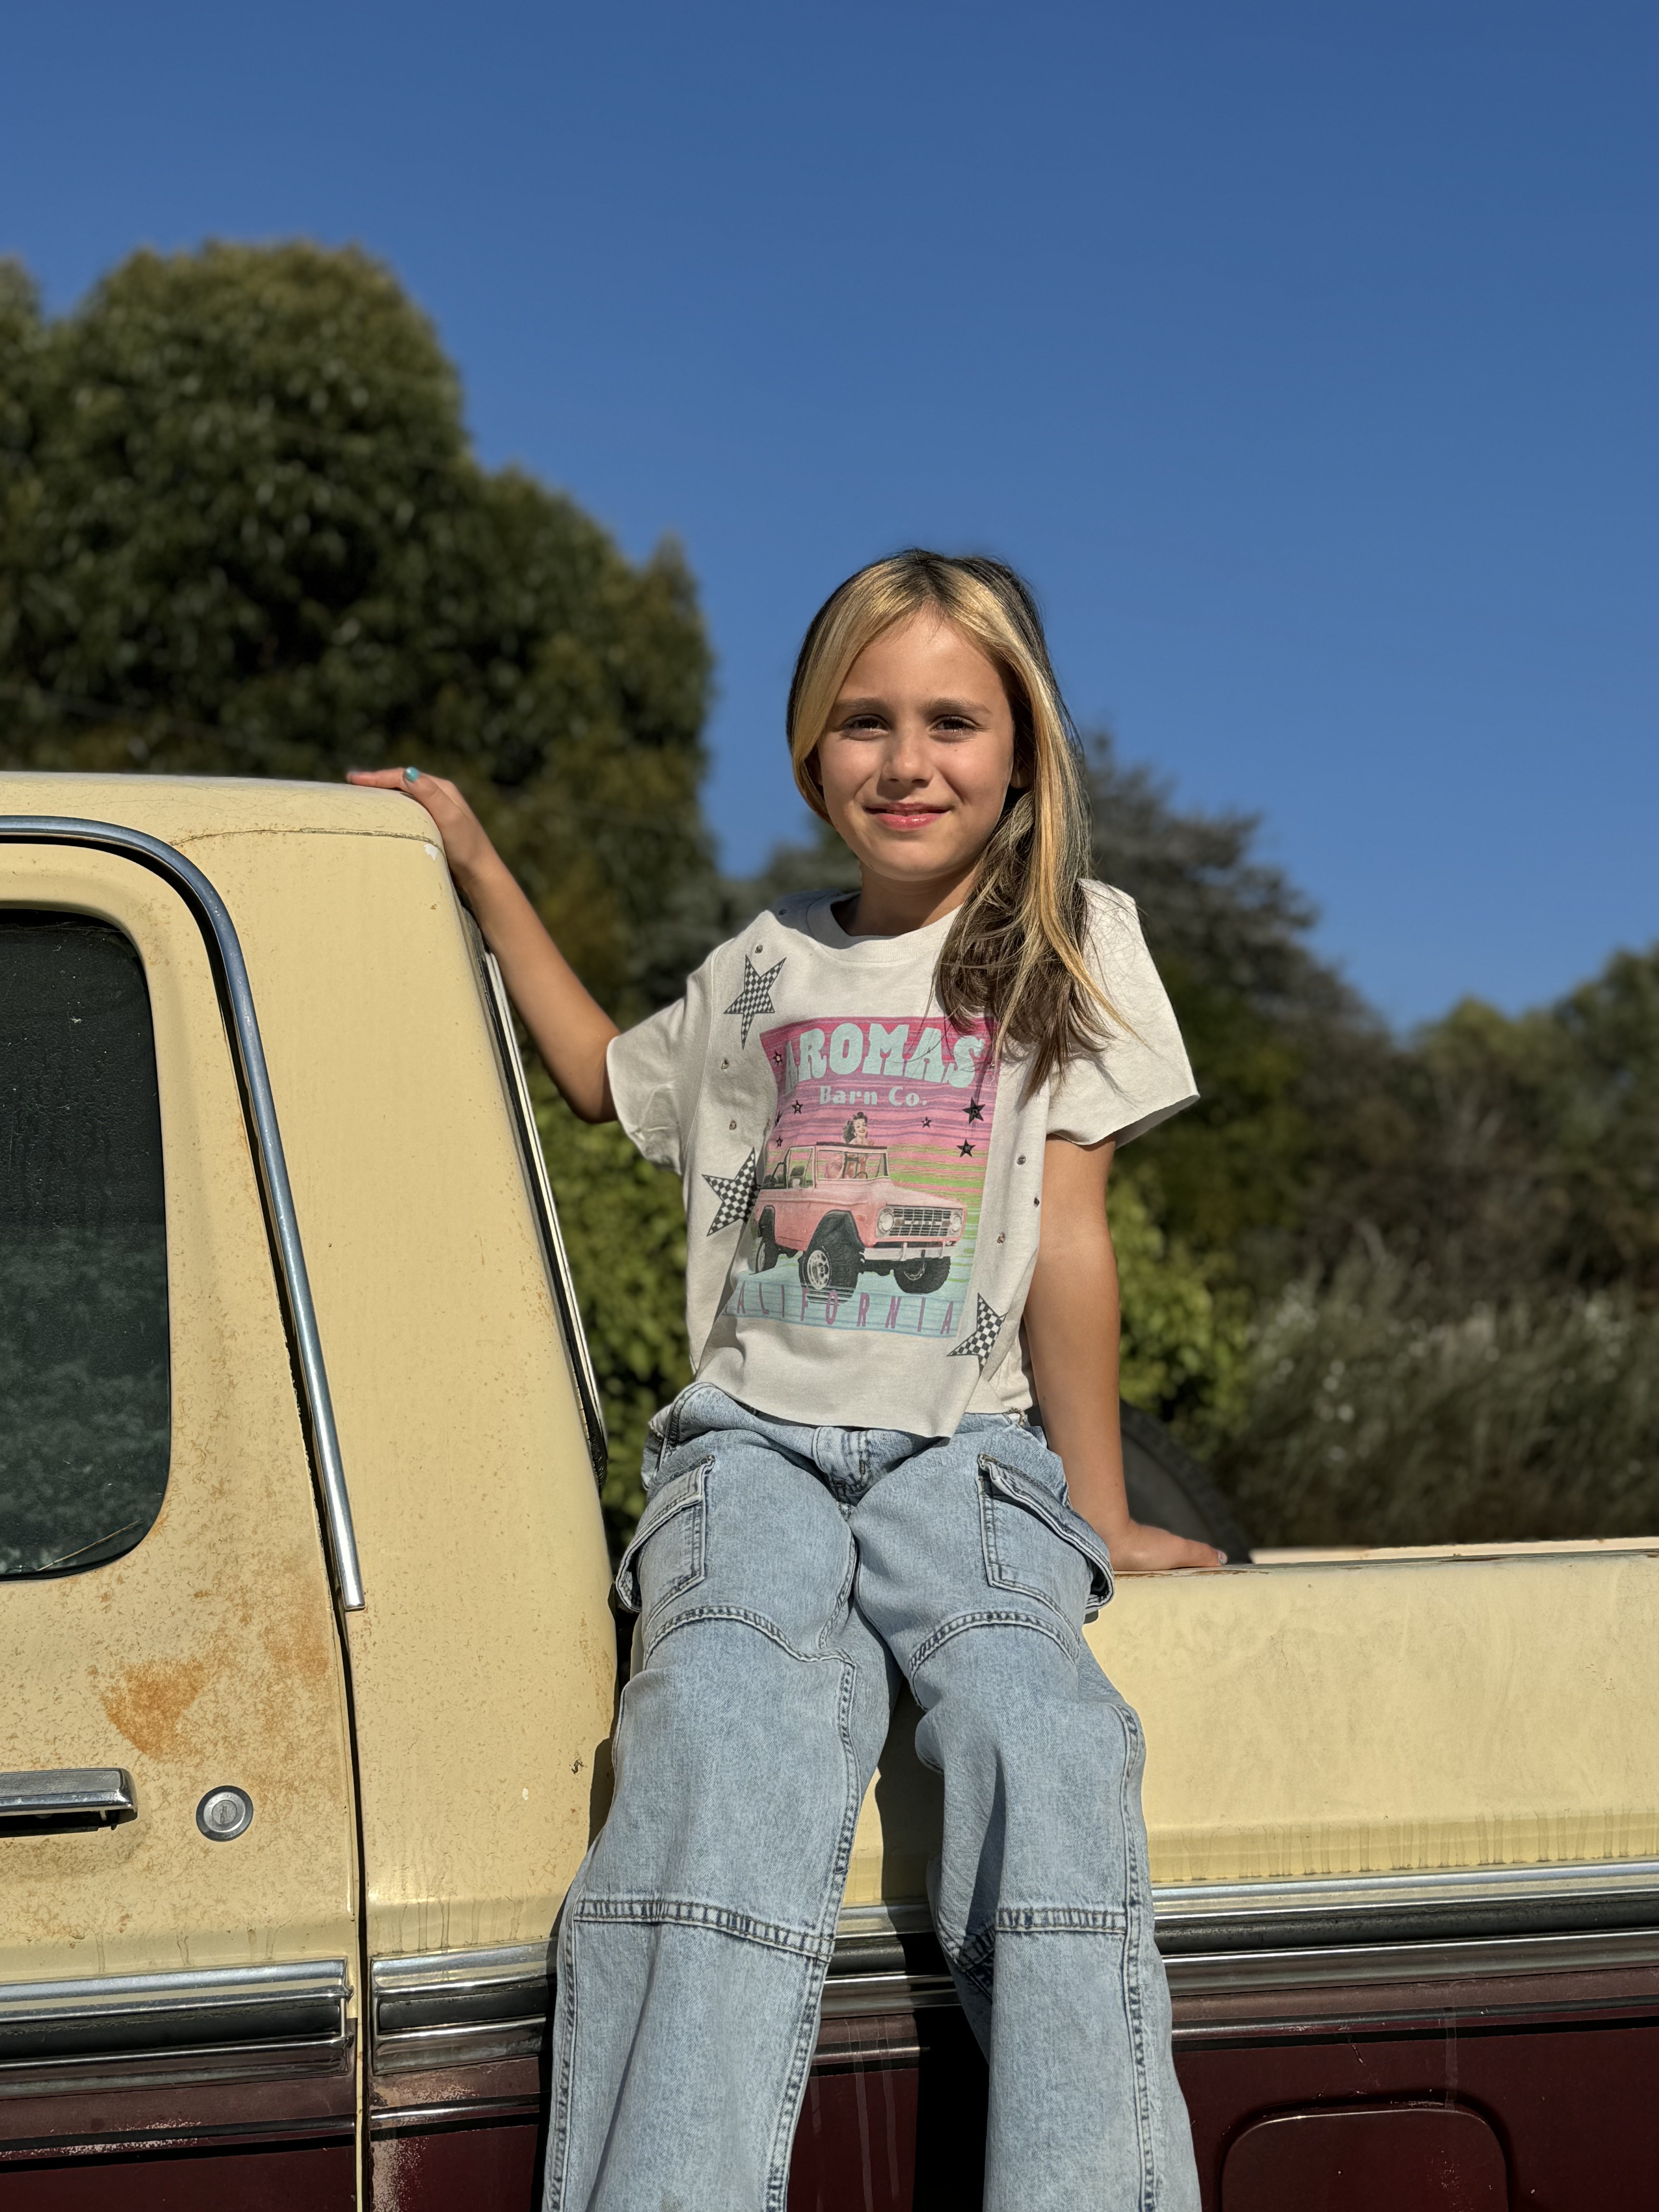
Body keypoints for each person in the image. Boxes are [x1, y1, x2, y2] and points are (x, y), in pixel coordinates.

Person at [350, 549, 1214, 2210]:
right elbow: (604, 1079)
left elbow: (1077, 1247)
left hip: (968, 1455)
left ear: (1024, 748)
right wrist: (472, 860)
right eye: (865, 722)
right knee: (718, 1727)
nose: (910, 761)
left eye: (955, 722)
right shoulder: (762, 967)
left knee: (1045, 1738)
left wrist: (1100, 1513)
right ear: (812, 751)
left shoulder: (1067, 947)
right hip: (750, 1445)